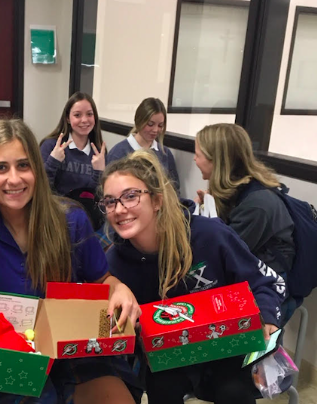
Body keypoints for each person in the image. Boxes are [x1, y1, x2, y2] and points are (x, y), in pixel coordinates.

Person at [0, 119, 142, 404]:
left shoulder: (71, 219)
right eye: (1, 168)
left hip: (70, 350)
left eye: (24, 165)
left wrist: (119, 288)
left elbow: (103, 280)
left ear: (37, 167)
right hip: (8, 356)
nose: (14, 179)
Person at [98, 150, 285, 404]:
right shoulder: (115, 263)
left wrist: (268, 319)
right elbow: (115, 329)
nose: (119, 209)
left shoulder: (209, 235)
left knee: (233, 392)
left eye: (131, 197)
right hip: (169, 358)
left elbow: (265, 283)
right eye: (110, 201)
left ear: (157, 201)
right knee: (161, 387)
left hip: (226, 349)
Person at [194, 123, 297, 321]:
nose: (195, 159)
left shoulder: (257, 206)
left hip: (268, 290)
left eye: (198, 154)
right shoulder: (237, 189)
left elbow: (223, 253)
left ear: (217, 160)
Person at [106, 97, 180, 193]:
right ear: (139, 121)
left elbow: (174, 190)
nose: (155, 130)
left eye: (160, 125)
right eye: (150, 124)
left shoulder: (165, 154)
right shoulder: (118, 153)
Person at [40, 92, 106, 197]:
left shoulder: (98, 152)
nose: (84, 120)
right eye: (77, 115)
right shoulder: (50, 146)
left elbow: (95, 197)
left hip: (85, 211)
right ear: (67, 118)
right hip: (56, 210)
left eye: (89, 114)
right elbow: (40, 188)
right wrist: (53, 161)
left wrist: (99, 172)